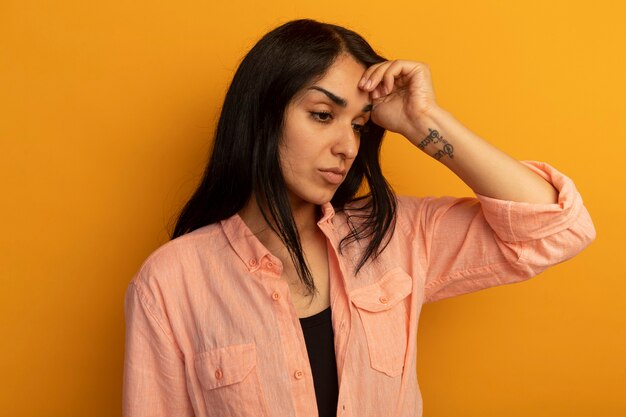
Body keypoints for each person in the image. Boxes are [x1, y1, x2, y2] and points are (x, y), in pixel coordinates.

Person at [122, 19, 595, 417]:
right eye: (323, 114)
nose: (348, 147)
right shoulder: (171, 281)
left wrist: (422, 120)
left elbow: (557, 227)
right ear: (262, 114)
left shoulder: (396, 236)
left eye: (359, 125)